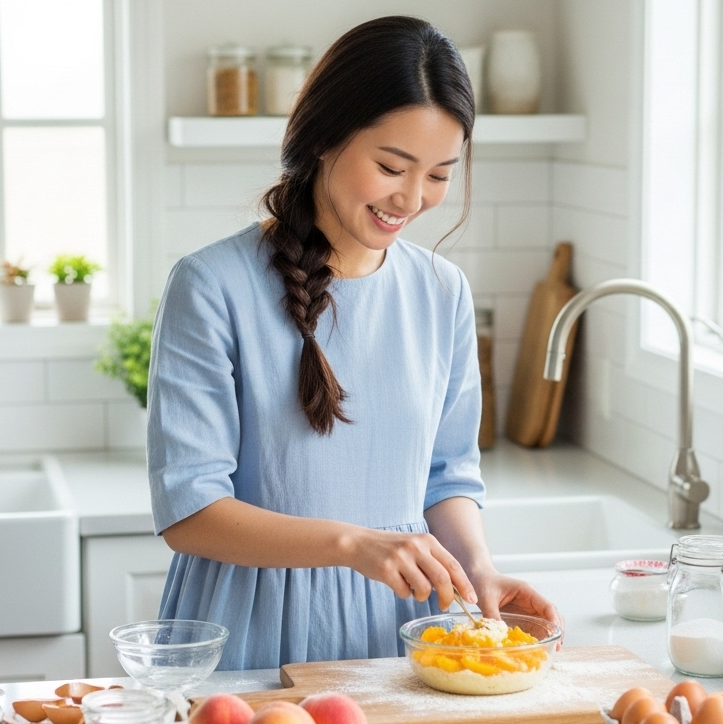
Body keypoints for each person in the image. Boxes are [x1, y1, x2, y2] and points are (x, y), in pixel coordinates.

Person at [146, 16, 561, 671]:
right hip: (247, 631)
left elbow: (446, 476)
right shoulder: (211, 286)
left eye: (439, 174)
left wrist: (478, 568)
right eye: (392, 166)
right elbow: (190, 512)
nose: (413, 198)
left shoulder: (442, 291)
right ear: (323, 139)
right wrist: (351, 544)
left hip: (396, 631)